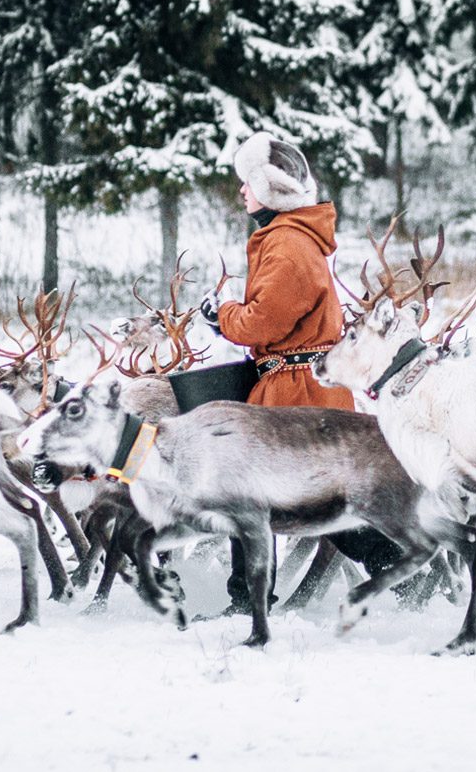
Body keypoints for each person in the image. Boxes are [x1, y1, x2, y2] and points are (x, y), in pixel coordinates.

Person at [198, 132, 354, 613]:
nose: (241, 191)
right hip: (294, 388)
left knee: (258, 496)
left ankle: (248, 600)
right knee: (330, 508)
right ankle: (407, 567)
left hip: (296, 395)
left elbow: (264, 320)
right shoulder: (289, 238)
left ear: (269, 189)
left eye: (247, 182)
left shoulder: (288, 245)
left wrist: (221, 314)